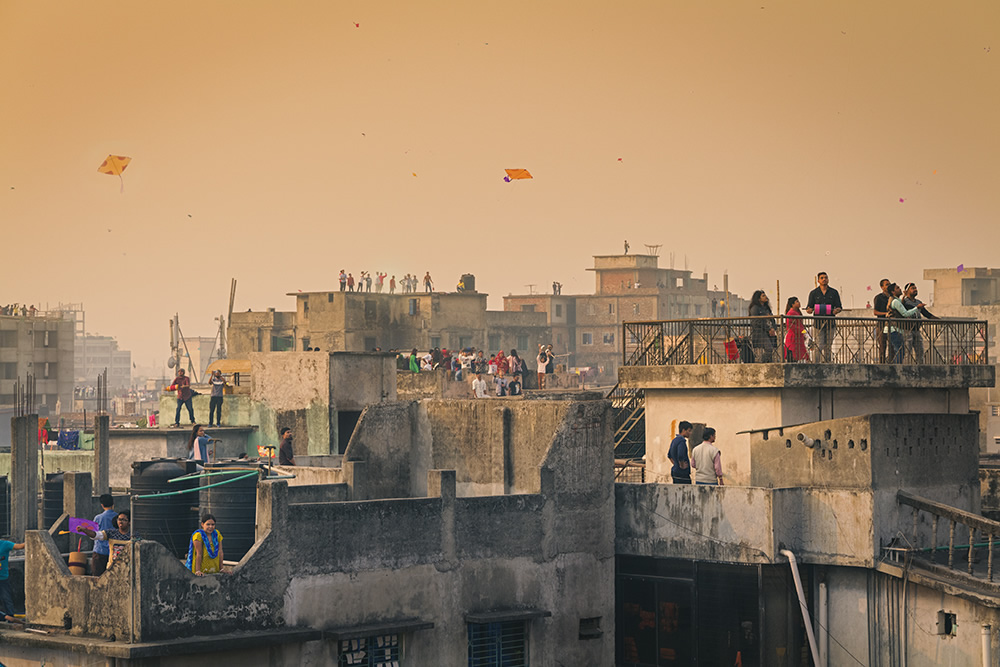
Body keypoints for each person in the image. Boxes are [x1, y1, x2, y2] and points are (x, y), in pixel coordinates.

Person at [805, 272, 842, 362]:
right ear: (818, 280)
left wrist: (836, 310)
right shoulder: (813, 293)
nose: (824, 279)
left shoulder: (834, 292)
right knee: (819, 345)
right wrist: (809, 310)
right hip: (818, 324)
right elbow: (809, 308)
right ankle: (816, 364)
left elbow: (839, 307)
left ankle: (827, 363)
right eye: (822, 278)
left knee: (828, 346)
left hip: (830, 323)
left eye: (825, 277)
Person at [885, 283, 924, 363]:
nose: (900, 289)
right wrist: (917, 307)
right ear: (893, 292)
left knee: (900, 350)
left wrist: (904, 296)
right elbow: (905, 313)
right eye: (897, 288)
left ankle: (898, 368)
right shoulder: (895, 301)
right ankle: (898, 368)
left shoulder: (897, 300)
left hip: (896, 329)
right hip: (893, 329)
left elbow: (901, 304)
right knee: (900, 351)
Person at [902, 282, 938, 363]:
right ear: (907, 291)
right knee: (908, 351)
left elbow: (926, 314)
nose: (915, 290)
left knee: (920, 351)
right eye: (913, 288)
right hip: (908, 329)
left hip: (917, 329)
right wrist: (916, 307)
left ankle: (920, 367)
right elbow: (904, 309)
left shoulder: (918, 302)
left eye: (915, 288)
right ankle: (906, 368)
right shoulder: (905, 302)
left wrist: (938, 320)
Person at [0, 538, 26, 623]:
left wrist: (31, 540)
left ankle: (10, 618)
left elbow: (20, 546)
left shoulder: (5, 544)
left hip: (3, 577)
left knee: (6, 598)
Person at [748, 290, 777, 363]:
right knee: (768, 348)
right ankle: (762, 363)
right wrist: (768, 328)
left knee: (771, 349)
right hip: (760, 332)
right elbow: (756, 321)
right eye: (763, 296)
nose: (765, 297)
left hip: (769, 332)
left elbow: (772, 319)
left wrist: (773, 328)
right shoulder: (755, 308)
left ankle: (768, 363)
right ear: (758, 298)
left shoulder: (766, 308)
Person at [91, 494, 116, 576]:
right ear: (113, 504)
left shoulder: (98, 518)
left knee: (97, 579)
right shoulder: (118, 518)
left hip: (100, 551)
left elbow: (93, 535)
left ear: (102, 505)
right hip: (114, 552)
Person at [783, 297, 810, 362]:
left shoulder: (796, 312)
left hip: (798, 336)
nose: (799, 303)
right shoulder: (791, 313)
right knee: (794, 353)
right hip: (793, 337)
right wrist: (802, 331)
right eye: (797, 302)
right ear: (792, 304)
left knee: (799, 353)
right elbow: (791, 326)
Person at [872, 279, 892, 363]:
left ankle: (891, 363)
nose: (888, 286)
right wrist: (886, 314)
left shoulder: (892, 297)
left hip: (892, 325)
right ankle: (882, 363)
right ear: (882, 287)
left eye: (889, 284)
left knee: (892, 346)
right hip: (882, 324)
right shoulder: (879, 297)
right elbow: (875, 312)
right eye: (886, 285)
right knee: (882, 346)